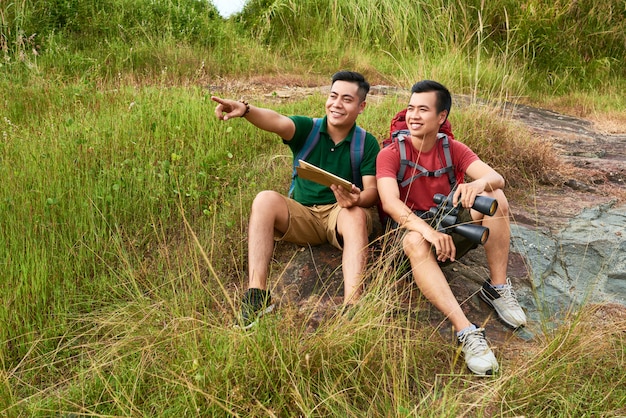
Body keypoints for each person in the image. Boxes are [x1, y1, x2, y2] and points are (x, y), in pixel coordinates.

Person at [376, 80, 526, 376]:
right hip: (408, 238)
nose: (414, 116)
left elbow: (497, 178)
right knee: (414, 242)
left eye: (423, 109)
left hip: (445, 225)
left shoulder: (452, 148)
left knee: (496, 197)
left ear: (441, 117)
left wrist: (479, 183)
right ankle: (467, 331)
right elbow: (391, 203)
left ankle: (496, 289)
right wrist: (428, 232)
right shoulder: (391, 153)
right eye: (410, 108)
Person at [212, 71, 380, 329]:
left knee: (356, 214)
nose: (336, 104)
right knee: (264, 199)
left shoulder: (365, 142)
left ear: (361, 107)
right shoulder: (309, 129)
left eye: (347, 99)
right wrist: (245, 109)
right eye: (333, 96)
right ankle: (257, 297)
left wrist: (356, 199)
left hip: (341, 214)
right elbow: (276, 121)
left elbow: (372, 192)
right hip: (304, 215)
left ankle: (352, 307)